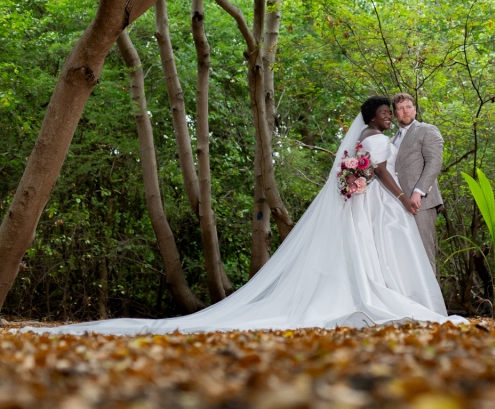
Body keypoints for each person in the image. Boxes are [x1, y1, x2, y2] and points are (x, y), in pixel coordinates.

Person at [23, 97, 464, 335]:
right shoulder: (374, 137)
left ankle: (385, 294)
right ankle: (377, 298)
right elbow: (381, 171)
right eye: (388, 110)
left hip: (374, 204)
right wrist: (398, 191)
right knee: (377, 253)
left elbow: (374, 168)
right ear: (374, 115)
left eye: (396, 110)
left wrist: (380, 185)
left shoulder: (384, 135)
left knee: (378, 253)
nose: (392, 115)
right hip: (379, 202)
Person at [391, 93, 444, 273]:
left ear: (414, 109)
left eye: (408, 107)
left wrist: (418, 191)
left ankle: (432, 301)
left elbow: (434, 162)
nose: (405, 111)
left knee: (425, 255)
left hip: (422, 202)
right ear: (395, 113)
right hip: (397, 204)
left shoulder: (427, 130)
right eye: (400, 108)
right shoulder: (392, 140)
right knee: (405, 257)